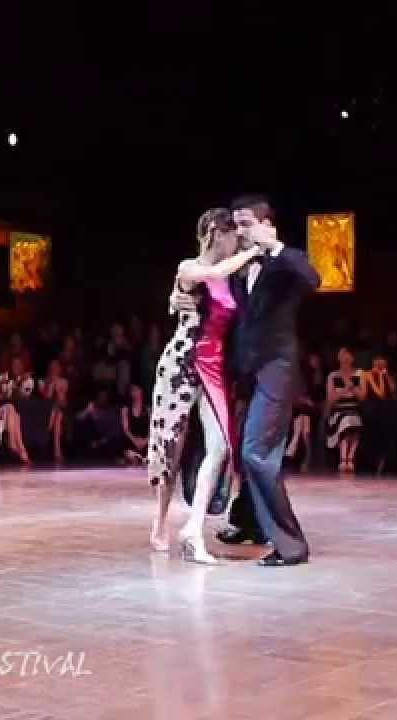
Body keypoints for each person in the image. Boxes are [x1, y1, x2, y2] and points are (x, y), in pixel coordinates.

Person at [179, 195, 319, 567]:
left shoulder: (285, 262)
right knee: (242, 453)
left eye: (245, 224)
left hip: (276, 368)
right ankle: (251, 523)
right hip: (243, 372)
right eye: (236, 225)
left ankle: (291, 546)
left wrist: (274, 246)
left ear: (266, 224)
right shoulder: (240, 269)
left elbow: (313, 278)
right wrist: (178, 299)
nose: (239, 232)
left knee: (257, 453)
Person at [148, 207, 263, 564]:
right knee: (171, 446)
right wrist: (249, 251)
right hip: (181, 362)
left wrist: (253, 248)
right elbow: (209, 272)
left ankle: (193, 530)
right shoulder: (190, 267)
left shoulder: (233, 276)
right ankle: (159, 522)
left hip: (212, 366)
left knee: (220, 447)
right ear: (216, 232)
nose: (236, 245)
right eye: (231, 237)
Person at [325, 347, 364, 472]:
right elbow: (330, 399)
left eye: (347, 354)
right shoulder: (333, 376)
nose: (345, 357)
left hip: (354, 409)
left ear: (352, 358)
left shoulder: (359, 374)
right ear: (338, 358)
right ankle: (343, 458)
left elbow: (362, 396)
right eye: (342, 354)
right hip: (338, 412)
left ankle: (350, 458)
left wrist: (352, 387)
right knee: (346, 420)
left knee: (354, 421)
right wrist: (343, 390)